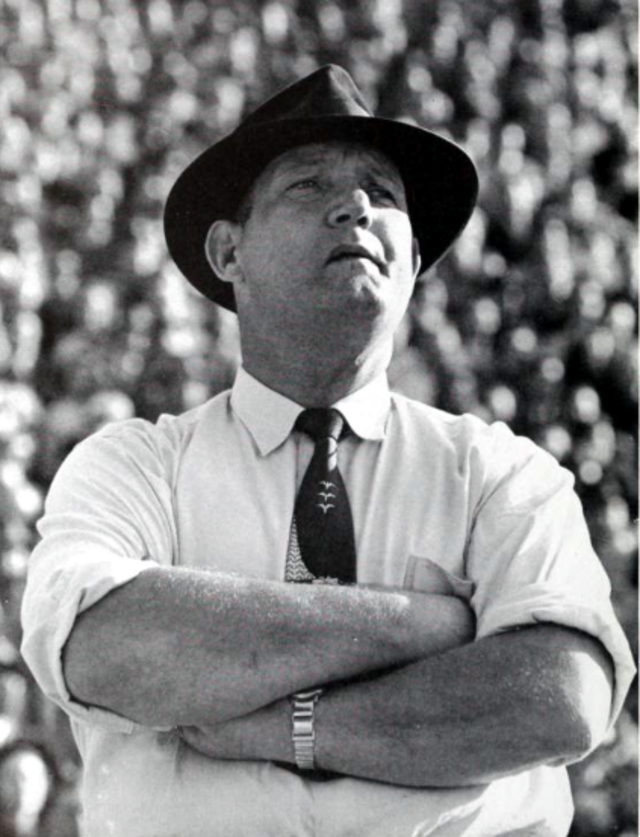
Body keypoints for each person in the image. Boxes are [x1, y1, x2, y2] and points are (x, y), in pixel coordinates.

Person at [21, 65, 635, 837]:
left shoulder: (502, 474)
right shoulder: (135, 465)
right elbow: (106, 648)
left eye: (383, 194)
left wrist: (283, 725)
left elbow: (561, 696)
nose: (355, 207)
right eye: (307, 187)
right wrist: (432, 624)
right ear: (226, 251)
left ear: (412, 260)